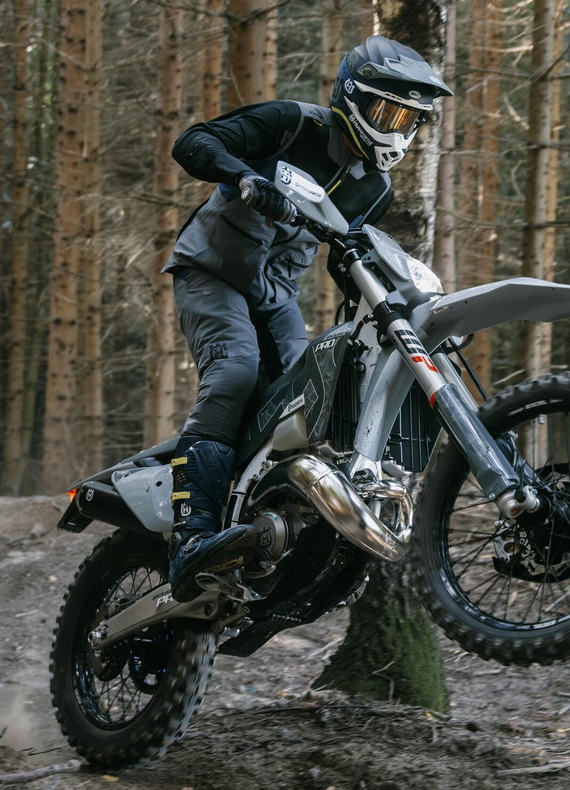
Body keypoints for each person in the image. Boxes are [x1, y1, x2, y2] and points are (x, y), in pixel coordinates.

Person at [161, 35, 452, 601]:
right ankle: (189, 536)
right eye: (388, 112)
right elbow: (192, 142)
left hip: (274, 296)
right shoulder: (295, 125)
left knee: (308, 404)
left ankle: (262, 532)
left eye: (410, 118)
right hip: (213, 272)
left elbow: (350, 265)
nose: (397, 129)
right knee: (237, 374)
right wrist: (246, 177)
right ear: (353, 98)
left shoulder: (375, 188)